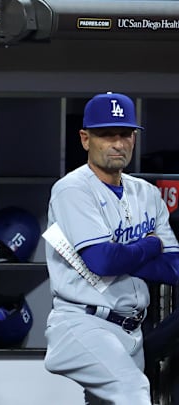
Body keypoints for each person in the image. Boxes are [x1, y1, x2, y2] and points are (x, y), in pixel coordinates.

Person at [43, 91, 179, 405]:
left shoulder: (144, 192)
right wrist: (149, 245)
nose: (118, 143)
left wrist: (124, 254)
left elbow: (172, 268)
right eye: (106, 135)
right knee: (133, 391)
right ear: (85, 138)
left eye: (125, 134)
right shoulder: (71, 190)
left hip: (131, 329)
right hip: (83, 322)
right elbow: (102, 260)